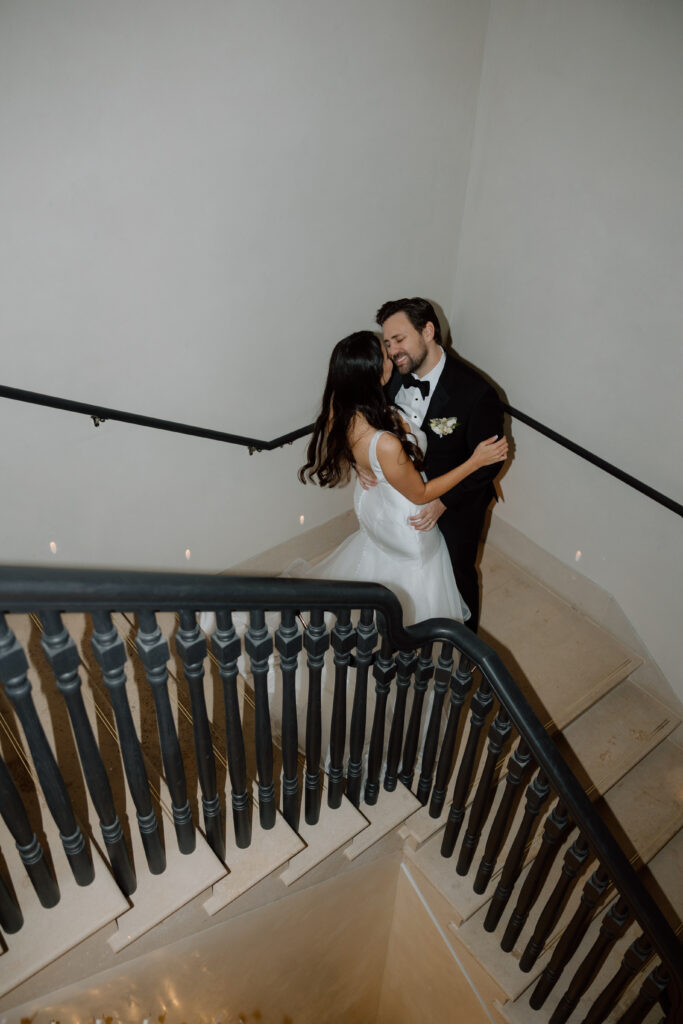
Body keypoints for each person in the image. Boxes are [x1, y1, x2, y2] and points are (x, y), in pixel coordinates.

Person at [298, 331, 507, 626]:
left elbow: (344, 442)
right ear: (371, 373)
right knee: (419, 582)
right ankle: (411, 633)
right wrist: (475, 461)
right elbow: (421, 494)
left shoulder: (340, 405)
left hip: (375, 504)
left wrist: (362, 463)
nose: (393, 357)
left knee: (379, 561)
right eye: (385, 357)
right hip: (406, 519)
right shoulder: (386, 444)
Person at [375, 298, 505, 632]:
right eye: (388, 343)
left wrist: (443, 501)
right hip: (403, 497)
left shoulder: (477, 393)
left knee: (456, 573)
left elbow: (488, 465)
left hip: (456, 506)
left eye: (400, 340)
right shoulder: (390, 377)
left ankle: (463, 652)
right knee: (406, 567)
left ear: (428, 331)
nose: (392, 351)